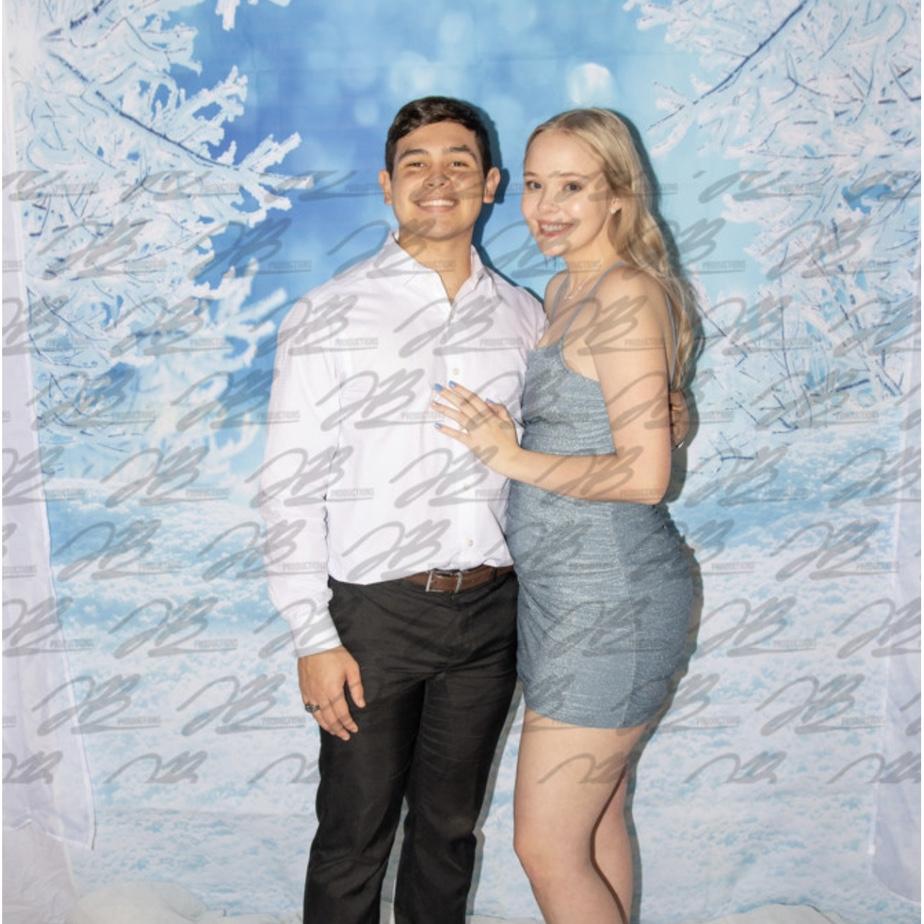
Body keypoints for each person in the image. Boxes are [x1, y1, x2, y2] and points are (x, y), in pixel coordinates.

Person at [259, 96, 545, 924]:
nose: (438, 179)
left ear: (490, 184)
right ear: (387, 185)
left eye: (459, 162)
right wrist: (313, 636)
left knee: (449, 834)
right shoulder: (329, 314)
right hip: (374, 618)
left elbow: (562, 445)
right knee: (354, 838)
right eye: (416, 163)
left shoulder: (525, 317)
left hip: (491, 613)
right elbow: (288, 484)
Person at [432, 108, 695, 924]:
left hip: (611, 601)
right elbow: (615, 422)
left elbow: (645, 476)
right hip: (568, 600)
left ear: (618, 194)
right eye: (537, 185)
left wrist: (509, 458)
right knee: (597, 817)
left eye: (572, 187)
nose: (546, 208)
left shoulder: (624, 295)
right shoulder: (563, 288)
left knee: (547, 846)